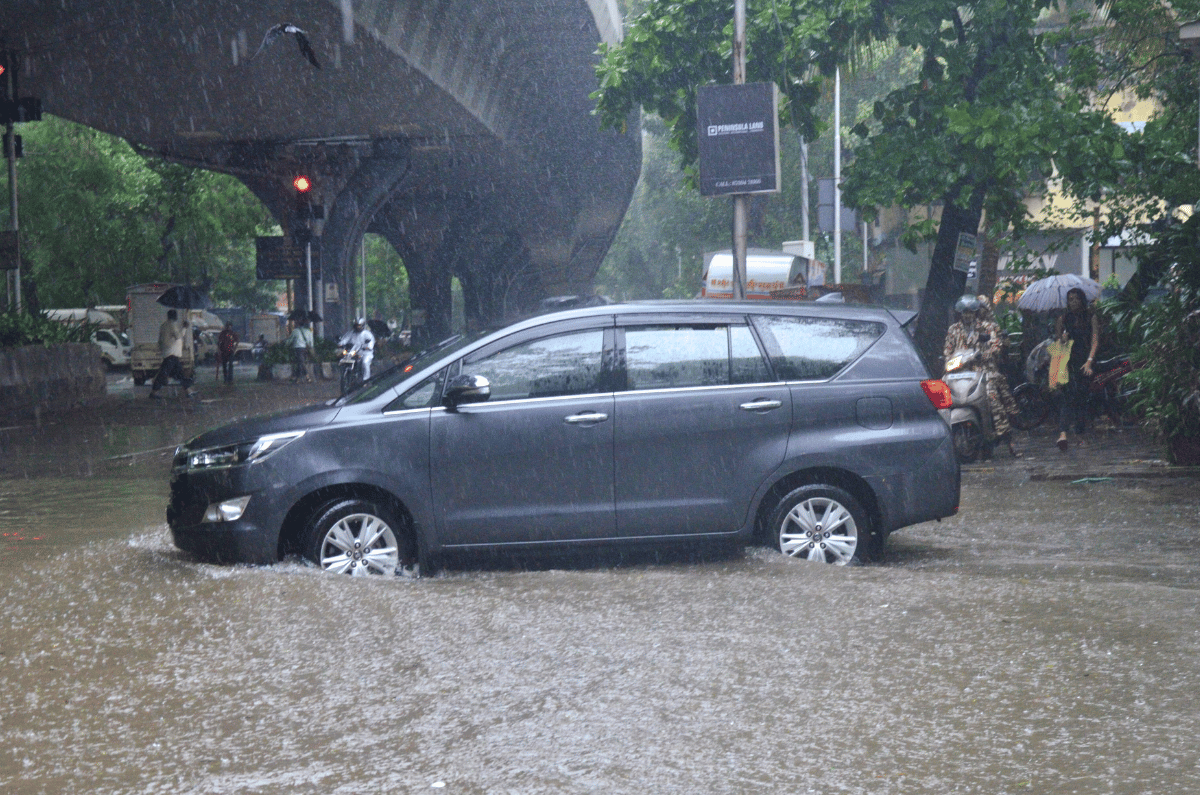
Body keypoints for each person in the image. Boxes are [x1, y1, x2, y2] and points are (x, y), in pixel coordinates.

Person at [943, 294, 1015, 456]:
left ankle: (1004, 436)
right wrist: (956, 361)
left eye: (970, 312)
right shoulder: (953, 330)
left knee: (992, 399)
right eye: (964, 312)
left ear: (976, 313)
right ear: (960, 313)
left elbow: (996, 347)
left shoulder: (987, 328)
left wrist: (986, 353)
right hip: (959, 373)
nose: (967, 315)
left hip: (984, 372)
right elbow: (948, 355)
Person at [1053, 286, 1100, 451]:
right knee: (1067, 398)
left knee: (1081, 399)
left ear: (1082, 300)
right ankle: (1063, 434)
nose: (1073, 302)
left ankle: (1080, 435)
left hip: (1084, 361)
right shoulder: (1064, 319)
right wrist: (1063, 340)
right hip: (1068, 362)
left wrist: (1089, 361)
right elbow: (1059, 345)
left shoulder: (1090, 317)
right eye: (1070, 299)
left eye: (1076, 299)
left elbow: (1095, 341)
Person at [976, 294, 1021, 457]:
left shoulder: (991, 327)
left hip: (990, 373)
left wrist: (987, 353)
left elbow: (996, 346)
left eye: (982, 308)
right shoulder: (965, 327)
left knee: (997, 406)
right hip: (971, 373)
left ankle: (1010, 442)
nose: (979, 312)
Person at [149, 309, 195, 399]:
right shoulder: (172, 325)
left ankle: (188, 391)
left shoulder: (164, 325)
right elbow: (178, 336)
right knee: (163, 374)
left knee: (180, 374)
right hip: (172, 354)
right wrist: (185, 327)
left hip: (168, 353)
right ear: (175, 316)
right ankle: (154, 392)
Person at [288, 319, 314, 383]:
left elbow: (290, 340)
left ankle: (300, 378)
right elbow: (311, 341)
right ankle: (304, 377)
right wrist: (311, 347)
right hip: (305, 349)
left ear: (298, 325)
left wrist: (286, 344)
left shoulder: (295, 331)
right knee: (301, 363)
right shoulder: (308, 331)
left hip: (297, 349)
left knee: (300, 363)